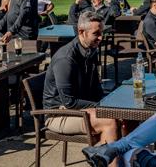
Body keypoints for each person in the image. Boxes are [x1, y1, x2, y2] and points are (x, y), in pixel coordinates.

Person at [43, 11, 119, 154]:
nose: (101, 38)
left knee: (126, 116)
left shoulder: (90, 50)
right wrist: (101, 107)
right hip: (57, 114)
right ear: (81, 32)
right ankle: (108, 161)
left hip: (80, 107)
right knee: (109, 121)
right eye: (96, 34)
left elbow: (96, 88)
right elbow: (69, 102)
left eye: (102, 33)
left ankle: (127, 159)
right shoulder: (66, 59)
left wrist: (111, 104)